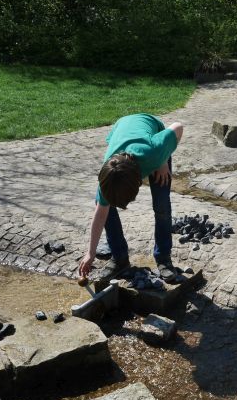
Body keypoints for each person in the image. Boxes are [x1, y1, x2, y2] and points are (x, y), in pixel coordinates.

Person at [78, 113, 184, 283]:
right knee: (104, 205)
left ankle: (164, 258)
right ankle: (120, 258)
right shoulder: (109, 176)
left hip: (152, 133)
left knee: (161, 204)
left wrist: (163, 159)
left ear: (137, 183)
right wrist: (90, 253)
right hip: (121, 129)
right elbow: (100, 213)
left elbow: (178, 127)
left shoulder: (154, 152)